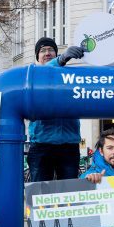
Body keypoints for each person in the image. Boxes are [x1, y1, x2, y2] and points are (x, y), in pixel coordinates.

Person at [27, 37, 84, 182]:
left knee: (68, 194)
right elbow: (43, 73)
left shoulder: (69, 77)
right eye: (43, 50)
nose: (47, 53)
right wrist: (61, 58)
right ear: (37, 57)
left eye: (51, 50)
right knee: (39, 194)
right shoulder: (33, 75)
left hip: (69, 144)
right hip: (41, 145)